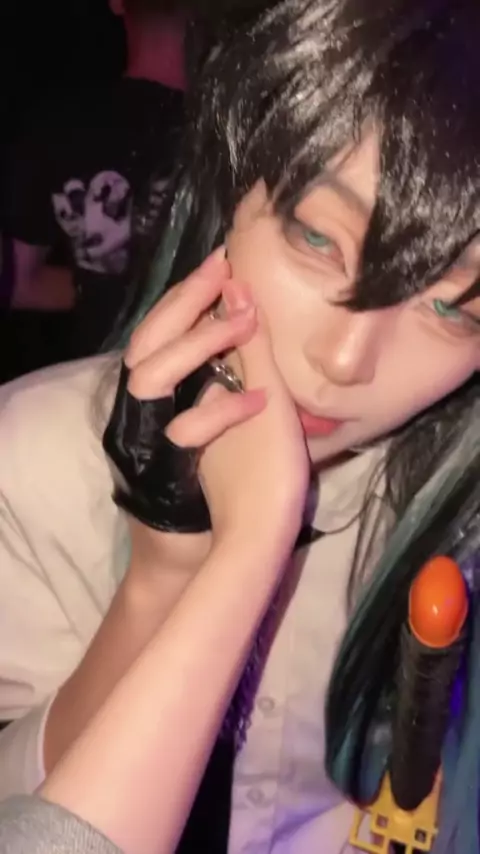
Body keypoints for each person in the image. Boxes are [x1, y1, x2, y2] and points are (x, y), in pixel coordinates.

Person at [0, 1, 479, 853]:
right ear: (231, 187)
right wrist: (161, 581)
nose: (345, 359)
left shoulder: (458, 521)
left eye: (453, 307)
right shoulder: (32, 456)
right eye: (317, 239)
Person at [2, 0, 187, 359]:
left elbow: (18, 284)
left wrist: (104, 283)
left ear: (116, 3)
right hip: (205, 381)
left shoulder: (56, 128)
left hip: (88, 377)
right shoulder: (239, 141)